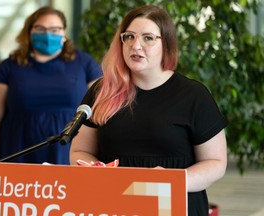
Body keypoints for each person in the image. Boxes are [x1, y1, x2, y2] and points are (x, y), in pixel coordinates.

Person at [69, 5, 228, 216]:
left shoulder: (193, 95)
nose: (136, 45)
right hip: (114, 205)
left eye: (148, 38)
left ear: (166, 44)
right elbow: (79, 152)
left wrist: (173, 182)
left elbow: (216, 163)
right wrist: (97, 171)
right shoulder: (101, 91)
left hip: (174, 205)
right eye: (129, 37)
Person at [0, 6, 102, 165]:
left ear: (64, 33)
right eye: (40, 29)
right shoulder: (8, 67)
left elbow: (100, 113)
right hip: (18, 151)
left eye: (54, 29)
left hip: (68, 152)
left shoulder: (86, 64)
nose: (47, 34)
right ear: (29, 32)